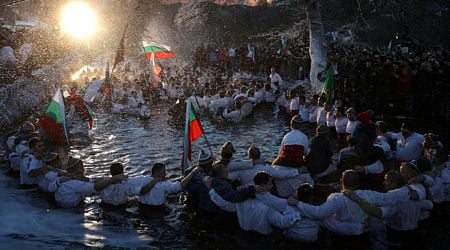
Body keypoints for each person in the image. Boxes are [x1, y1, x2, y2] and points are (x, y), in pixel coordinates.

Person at [54, 158, 127, 208]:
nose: (83, 170)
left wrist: (103, 180)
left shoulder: (70, 178)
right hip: (69, 210)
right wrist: (112, 179)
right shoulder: (73, 183)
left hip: (66, 206)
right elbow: (95, 187)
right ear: (76, 170)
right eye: (81, 168)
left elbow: (89, 180)